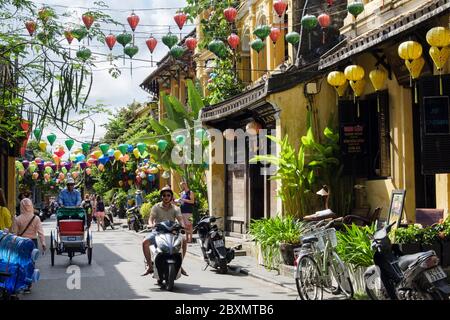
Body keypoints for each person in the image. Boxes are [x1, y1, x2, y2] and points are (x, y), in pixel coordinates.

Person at [142, 186, 187, 277]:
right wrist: (151, 224)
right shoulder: (156, 207)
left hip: (172, 232)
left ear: (171, 197)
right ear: (161, 196)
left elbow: (180, 219)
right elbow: (151, 219)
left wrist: (182, 225)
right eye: (164, 195)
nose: (166, 197)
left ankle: (180, 264)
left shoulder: (175, 208)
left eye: (168, 195)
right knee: (145, 242)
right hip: (158, 232)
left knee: (184, 240)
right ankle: (150, 266)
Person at [11, 198, 46, 293]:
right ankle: (28, 285)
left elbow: (14, 234)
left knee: (21, 264)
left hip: (21, 243)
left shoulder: (17, 219)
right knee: (31, 264)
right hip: (32, 243)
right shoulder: (36, 218)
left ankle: (22, 284)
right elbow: (41, 233)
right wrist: (43, 243)